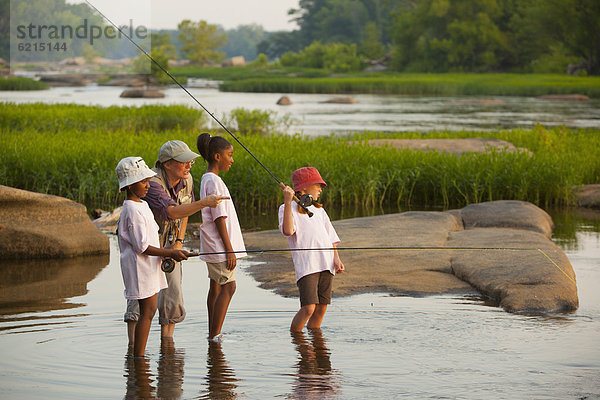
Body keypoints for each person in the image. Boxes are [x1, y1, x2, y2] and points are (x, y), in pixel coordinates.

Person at [124, 140, 228, 346]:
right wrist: (205, 203)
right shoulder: (152, 183)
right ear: (167, 164)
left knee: (173, 292)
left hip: (172, 242)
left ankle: (167, 345)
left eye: (190, 161)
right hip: (146, 243)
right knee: (141, 296)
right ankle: (133, 349)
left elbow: (185, 212)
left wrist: (179, 242)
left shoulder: (186, 180)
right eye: (183, 162)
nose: (189, 165)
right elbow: (171, 212)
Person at [116, 156, 190, 357]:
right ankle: (139, 358)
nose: (148, 185)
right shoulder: (131, 209)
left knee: (149, 311)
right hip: (140, 268)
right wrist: (170, 252)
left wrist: (169, 252)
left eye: (148, 180)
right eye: (143, 182)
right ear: (130, 186)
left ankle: (139, 358)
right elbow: (142, 246)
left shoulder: (141, 204)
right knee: (147, 312)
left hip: (149, 266)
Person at [279, 167, 345, 332]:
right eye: (317, 185)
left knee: (322, 307)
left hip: (326, 263)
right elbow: (288, 231)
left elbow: (330, 237)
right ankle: (298, 340)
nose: (320, 189)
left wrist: (336, 258)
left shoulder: (319, 210)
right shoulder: (286, 208)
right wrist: (288, 202)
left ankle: (315, 342)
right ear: (304, 188)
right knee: (309, 308)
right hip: (307, 266)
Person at [196, 133, 247, 341]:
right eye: (229, 154)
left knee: (216, 286)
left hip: (213, 246)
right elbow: (219, 217)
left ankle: (212, 331)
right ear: (217, 156)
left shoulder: (208, 179)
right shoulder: (213, 181)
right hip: (219, 247)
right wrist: (229, 249)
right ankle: (214, 336)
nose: (232, 159)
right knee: (229, 286)